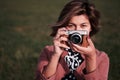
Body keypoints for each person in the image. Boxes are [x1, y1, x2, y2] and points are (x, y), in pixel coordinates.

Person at [35, 0, 109, 80]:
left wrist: (90, 57)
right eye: (71, 25)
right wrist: (55, 55)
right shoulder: (48, 51)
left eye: (83, 26)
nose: (77, 30)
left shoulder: (101, 58)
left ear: (91, 28)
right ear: (63, 26)